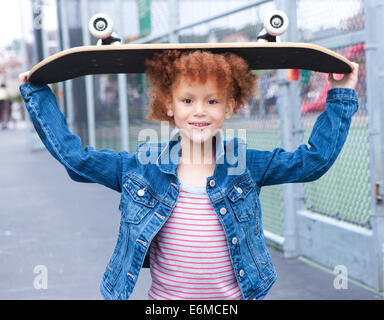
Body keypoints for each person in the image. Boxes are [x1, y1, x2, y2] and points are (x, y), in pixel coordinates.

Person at [19, 50, 359, 300]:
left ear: (228, 107)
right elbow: (77, 159)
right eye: (187, 100)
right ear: (169, 105)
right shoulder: (143, 168)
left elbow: (312, 161)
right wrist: (37, 95)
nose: (199, 111)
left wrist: (341, 94)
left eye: (212, 101)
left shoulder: (246, 165)